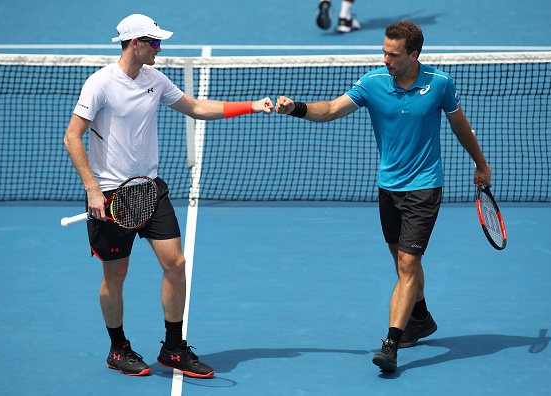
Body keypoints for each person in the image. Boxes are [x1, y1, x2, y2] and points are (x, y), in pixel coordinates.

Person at [63, 14, 274, 377]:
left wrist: (249, 106)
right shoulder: (99, 84)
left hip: (149, 189)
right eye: (155, 43)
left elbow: (194, 107)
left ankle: (173, 348)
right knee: (116, 274)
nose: (160, 48)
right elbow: (72, 137)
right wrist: (93, 190)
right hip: (111, 196)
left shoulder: (154, 79)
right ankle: (118, 348)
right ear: (134, 43)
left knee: (175, 264)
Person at [276, 20, 492, 372]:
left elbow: (459, 125)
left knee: (407, 264)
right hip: (388, 187)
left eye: (393, 54)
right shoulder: (372, 83)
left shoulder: (440, 85)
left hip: (425, 186)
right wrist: (296, 108)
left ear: (414, 55)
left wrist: (480, 164)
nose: (386, 59)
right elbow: (331, 109)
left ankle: (391, 343)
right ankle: (421, 317)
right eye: (384, 52)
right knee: (402, 260)